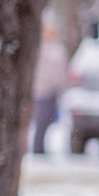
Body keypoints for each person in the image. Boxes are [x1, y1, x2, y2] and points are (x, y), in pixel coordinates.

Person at [31, 19, 68, 155]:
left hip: (52, 90)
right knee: (42, 119)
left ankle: (41, 145)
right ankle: (38, 146)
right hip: (42, 90)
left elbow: (61, 70)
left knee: (48, 119)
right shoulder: (41, 49)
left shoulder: (56, 49)